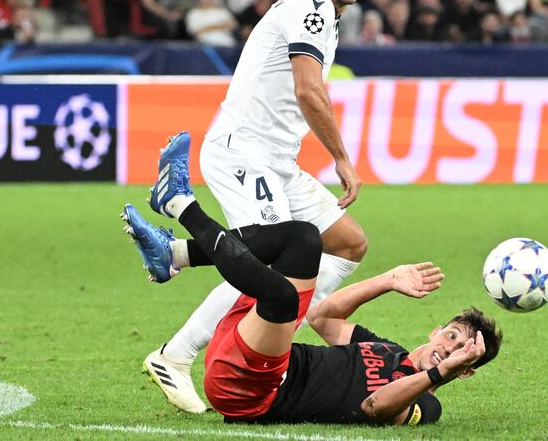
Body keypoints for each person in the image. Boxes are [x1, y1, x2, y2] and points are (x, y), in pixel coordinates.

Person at [139, 0, 384, 414]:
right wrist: (341, 158)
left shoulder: (325, 14)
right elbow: (308, 90)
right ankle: (175, 355)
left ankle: (205, 272)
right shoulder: (311, 8)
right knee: (268, 267)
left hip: (275, 161)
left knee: (348, 243)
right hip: (242, 152)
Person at [122, 132, 502, 425]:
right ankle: (175, 255)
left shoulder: (426, 404)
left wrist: (439, 373)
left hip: (252, 391)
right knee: (301, 237)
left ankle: (179, 204)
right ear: (437, 330)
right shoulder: (387, 350)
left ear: (464, 372)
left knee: (284, 299)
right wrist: (388, 279)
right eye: (452, 337)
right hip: (249, 344)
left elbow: (376, 406)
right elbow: (324, 318)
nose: (447, 349)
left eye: (459, 354)